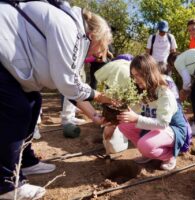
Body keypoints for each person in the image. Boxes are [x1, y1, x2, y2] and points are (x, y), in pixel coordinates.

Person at [0, 1, 113, 199]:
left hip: (12, 64)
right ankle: (6, 185)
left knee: (33, 103)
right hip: (2, 55)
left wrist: (95, 117)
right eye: (100, 48)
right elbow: (68, 83)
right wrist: (101, 97)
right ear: (95, 36)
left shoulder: (73, 30)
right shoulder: (68, 27)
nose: (97, 55)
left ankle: (26, 161)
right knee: (17, 111)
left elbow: (71, 89)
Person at [117, 54, 188, 171]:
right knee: (123, 124)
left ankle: (169, 156)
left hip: (173, 129)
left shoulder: (164, 93)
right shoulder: (143, 90)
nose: (135, 79)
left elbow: (163, 123)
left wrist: (136, 119)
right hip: (156, 127)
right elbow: (134, 111)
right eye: (133, 75)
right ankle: (148, 154)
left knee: (145, 145)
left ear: (149, 73)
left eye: (139, 75)